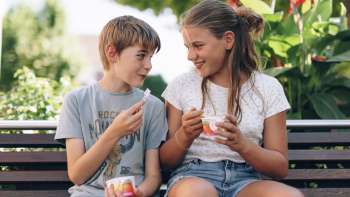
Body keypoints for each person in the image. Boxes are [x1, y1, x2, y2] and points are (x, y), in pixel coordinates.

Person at [159, 1, 304, 197]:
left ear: (228, 40)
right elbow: (164, 162)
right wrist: (184, 135)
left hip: (246, 180)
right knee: (197, 193)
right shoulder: (181, 85)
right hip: (194, 175)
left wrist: (241, 144)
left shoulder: (268, 88)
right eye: (188, 47)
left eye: (198, 46)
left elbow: (280, 168)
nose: (190, 56)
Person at [55, 15, 168, 197]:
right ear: (112, 53)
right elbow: (77, 175)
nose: (148, 65)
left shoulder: (153, 107)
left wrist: (138, 194)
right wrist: (114, 132)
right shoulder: (76, 101)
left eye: (150, 57)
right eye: (141, 56)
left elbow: (153, 177)